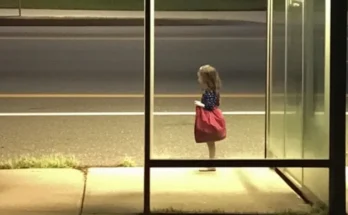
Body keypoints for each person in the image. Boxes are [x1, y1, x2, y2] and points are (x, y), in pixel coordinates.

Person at [194, 64, 222, 172]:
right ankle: (212, 162)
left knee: (210, 142)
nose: (198, 79)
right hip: (210, 116)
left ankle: (212, 164)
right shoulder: (212, 90)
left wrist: (199, 104)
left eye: (200, 77)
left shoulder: (209, 92)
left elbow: (209, 106)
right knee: (210, 143)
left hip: (209, 117)